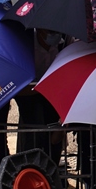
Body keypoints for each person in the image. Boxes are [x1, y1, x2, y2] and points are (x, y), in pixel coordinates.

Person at [15, 28, 65, 165]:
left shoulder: (64, 43)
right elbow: (17, 86)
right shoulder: (25, 43)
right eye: (50, 31)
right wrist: (41, 87)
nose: (53, 35)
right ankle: (31, 170)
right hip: (29, 94)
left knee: (54, 134)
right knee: (35, 134)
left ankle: (51, 171)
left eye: (55, 31)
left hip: (53, 95)